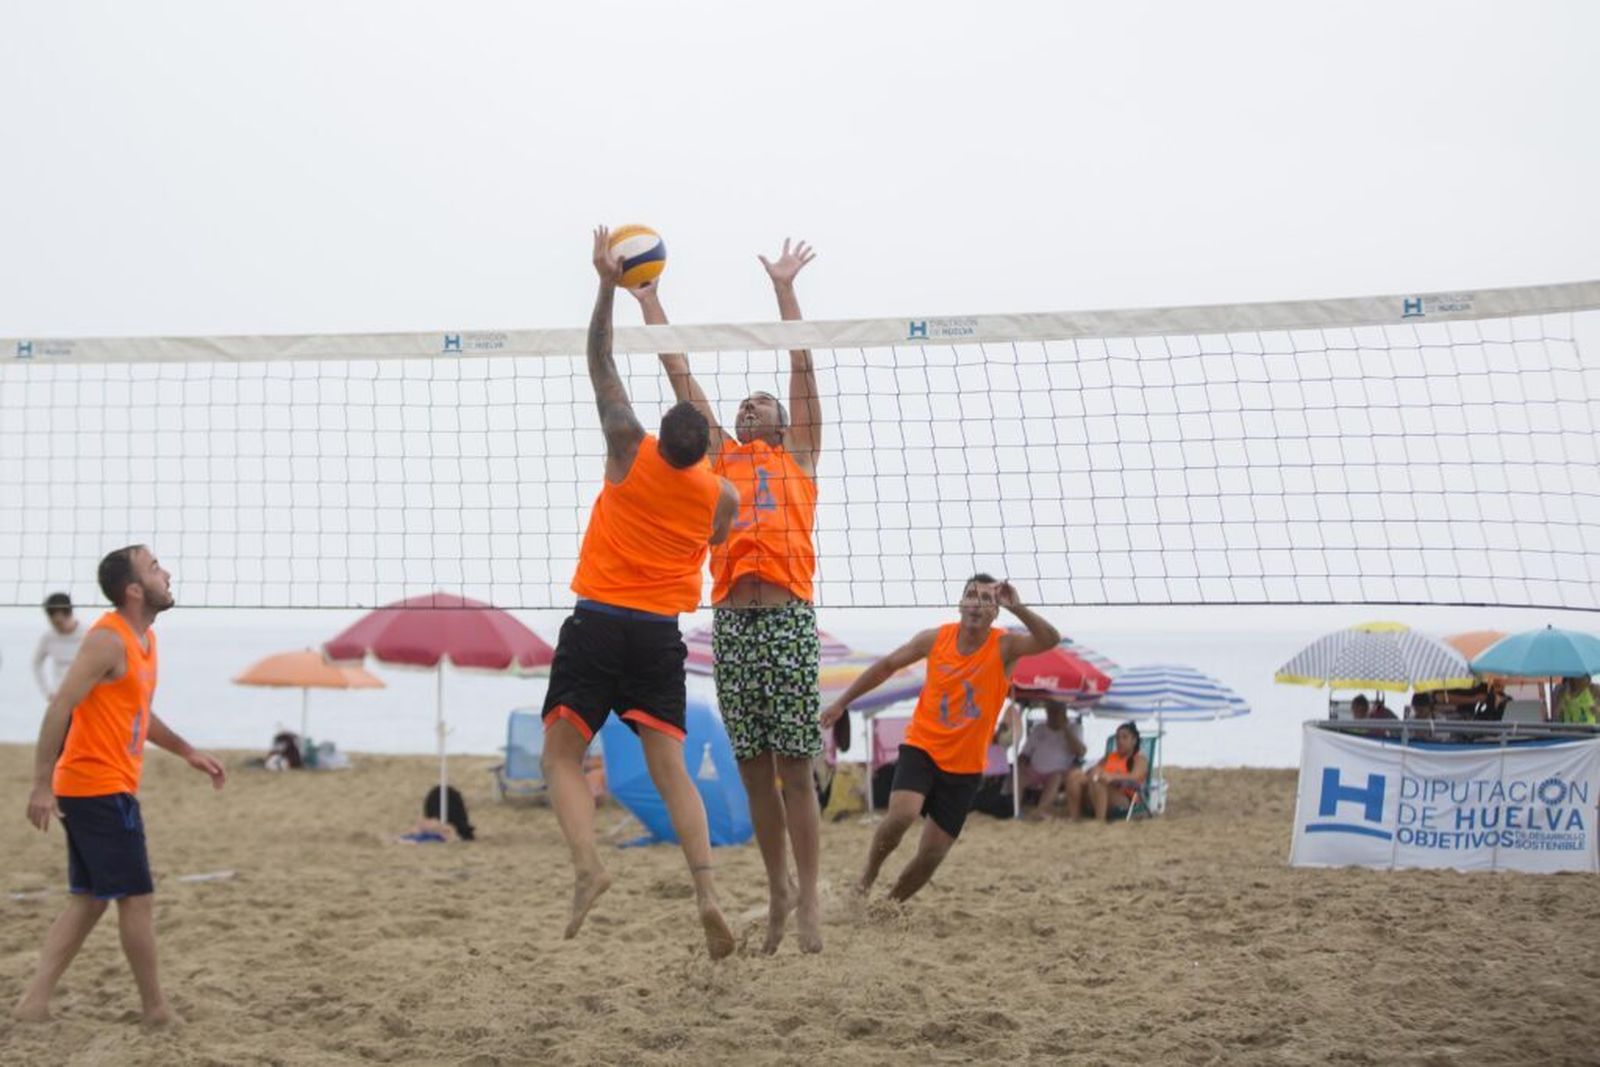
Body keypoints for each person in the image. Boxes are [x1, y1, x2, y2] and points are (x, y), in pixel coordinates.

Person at [539, 227, 741, 960]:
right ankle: (709, 893)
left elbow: (599, 360)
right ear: (707, 445)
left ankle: (589, 867)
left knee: (560, 757)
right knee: (671, 769)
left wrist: (605, 283)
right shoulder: (721, 495)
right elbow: (716, 529)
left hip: (597, 623)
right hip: (659, 632)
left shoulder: (630, 447)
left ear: (661, 432)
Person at [632, 238, 826, 954]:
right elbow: (680, 372)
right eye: (744, 403)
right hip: (733, 626)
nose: (750, 405)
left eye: (761, 402)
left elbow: (801, 359)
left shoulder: (799, 451)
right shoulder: (718, 456)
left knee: (795, 771)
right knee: (752, 771)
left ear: (780, 421)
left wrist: (784, 290)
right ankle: (776, 890)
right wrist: (649, 298)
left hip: (786, 619)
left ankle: (808, 898)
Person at [14, 546, 226, 1025]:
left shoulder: (143, 641)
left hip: (104, 786)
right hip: (95, 786)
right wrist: (40, 785)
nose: (166, 572)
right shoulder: (107, 640)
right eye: (154, 568)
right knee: (137, 897)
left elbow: (139, 715)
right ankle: (156, 1010)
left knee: (89, 899)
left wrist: (188, 751)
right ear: (134, 590)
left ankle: (32, 1004)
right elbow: (59, 707)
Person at [820, 576, 1060, 902]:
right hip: (923, 746)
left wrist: (1017, 607)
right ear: (961, 603)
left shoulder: (1005, 646)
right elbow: (887, 665)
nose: (977, 603)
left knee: (932, 854)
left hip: (966, 765)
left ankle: (889, 905)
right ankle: (867, 876)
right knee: (903, 815)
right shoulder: (936, 639)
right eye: (971, 596)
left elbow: (1049, 639)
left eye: (987, 599)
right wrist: (841, 702)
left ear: (995, 612)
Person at [1065, 721, 1148, 822]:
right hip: (1097, 793)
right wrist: (1093, 771)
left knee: (1099, 781)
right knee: (1075, 775)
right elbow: (1093, 772)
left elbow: (1135, 776)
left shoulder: (1139, 758)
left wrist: (1111, 776)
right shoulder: (1110, 757)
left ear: (1134, 740)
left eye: (1124, 737)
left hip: (1123, 798)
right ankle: (1075, 818)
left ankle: (1100, 821)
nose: (1120, 741)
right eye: (1117, 738)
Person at [1017, 700, 1086, 820]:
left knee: (1056, 777)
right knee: (1018, 775)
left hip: (1059, 772)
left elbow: (1081, 752)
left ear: (1064, 713)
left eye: (1056, 712)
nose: (1052, 715)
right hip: (1034, 770)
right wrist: (1022, 764)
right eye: (1050, 712)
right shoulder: (1039, 729)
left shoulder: (1075, 728)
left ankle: (1041, 810)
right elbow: (1025, 753)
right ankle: (1015, 809)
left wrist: (1065, 729)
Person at [33, 592, 86, 703]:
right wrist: (47, 692)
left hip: (85, 697)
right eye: (53, 623)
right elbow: (36, 664)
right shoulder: (48, 637)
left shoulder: (89, 634)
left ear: (70, 614)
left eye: (60, 623)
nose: (57, 627)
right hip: (60, 698)